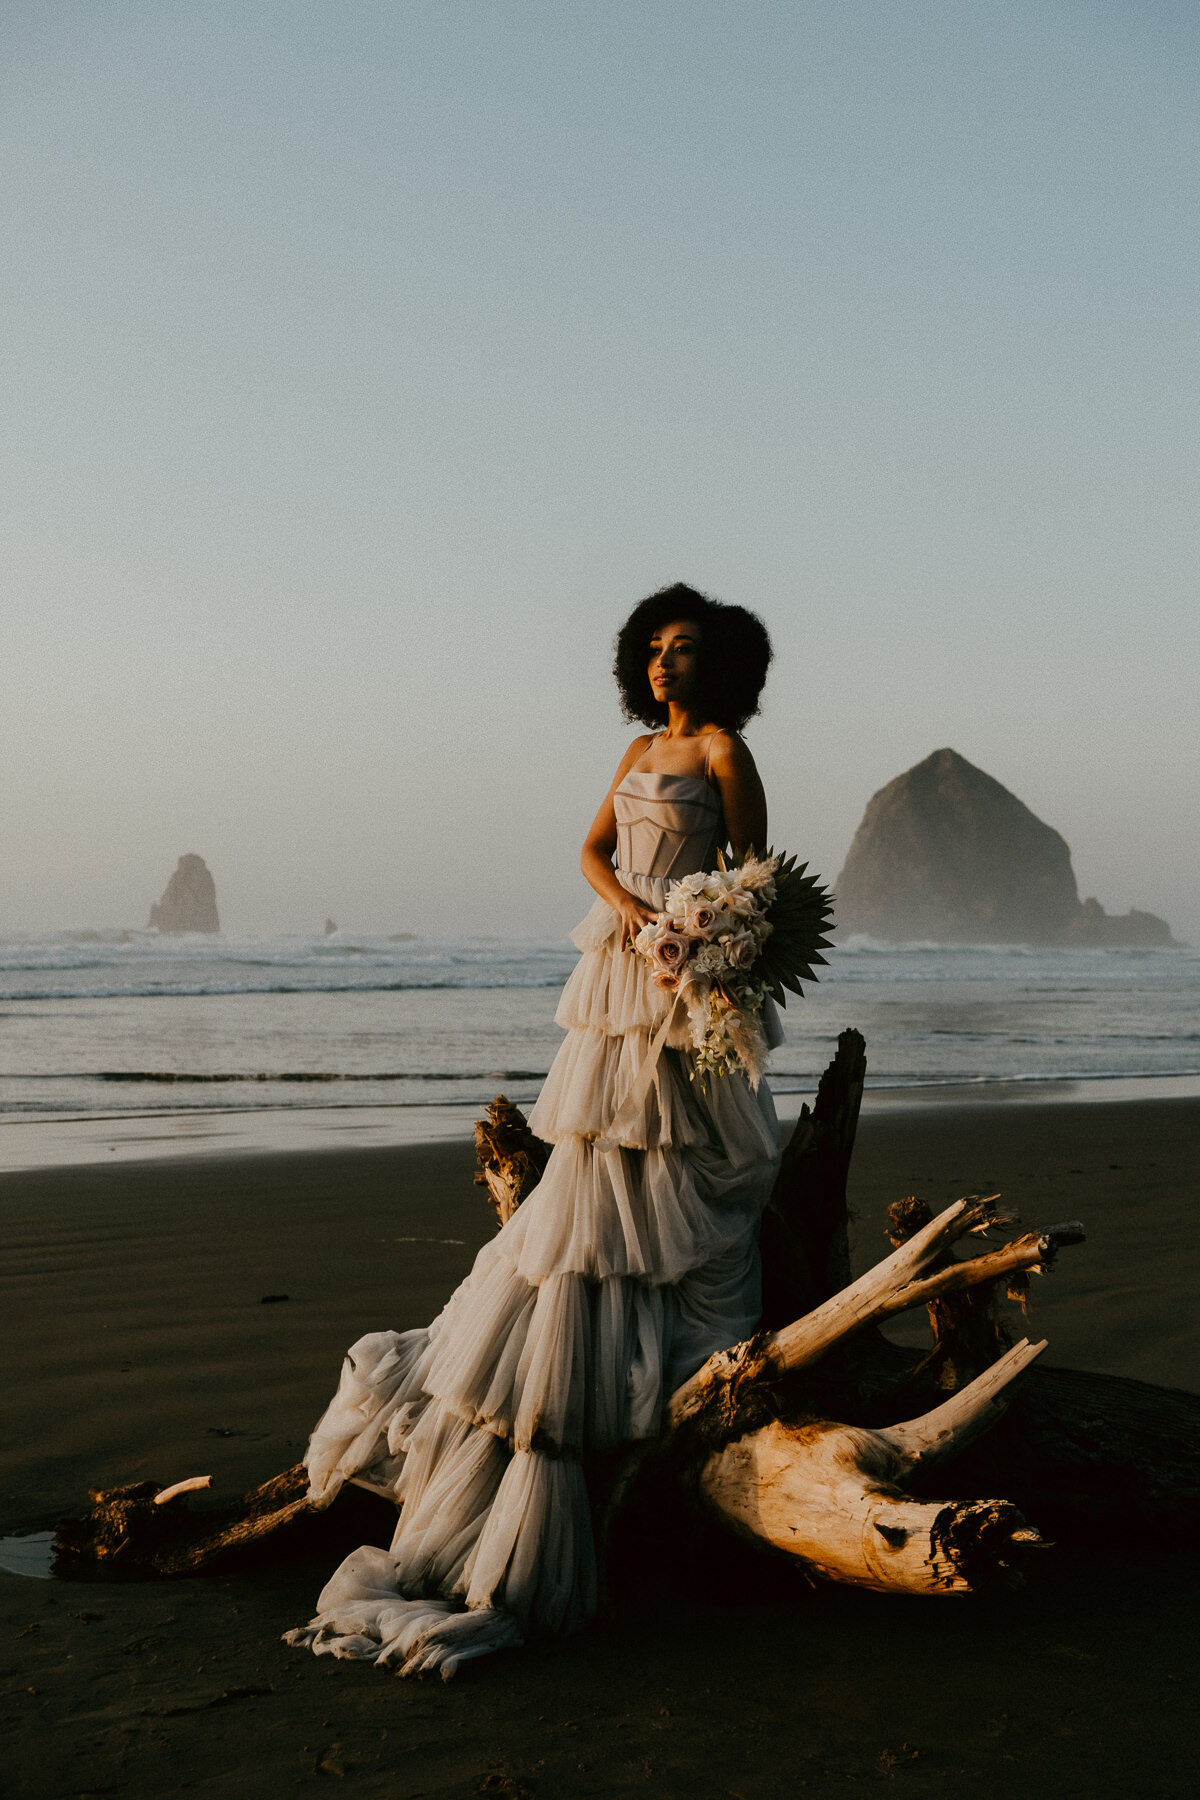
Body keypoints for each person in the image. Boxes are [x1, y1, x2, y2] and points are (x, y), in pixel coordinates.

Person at [284, 582, 782, 1678]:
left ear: (721, 663)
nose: (663, 664)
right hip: (621, 964)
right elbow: (593, 852)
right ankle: (581, 1355)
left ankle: (643, 1371)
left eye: (684, 650)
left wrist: (704, 937)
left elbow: (752, 887)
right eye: (651, 649)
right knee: (600, 1153)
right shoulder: (638, 752)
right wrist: (636, 912)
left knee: (669, 1156)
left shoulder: (730, 759)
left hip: (681, 979)